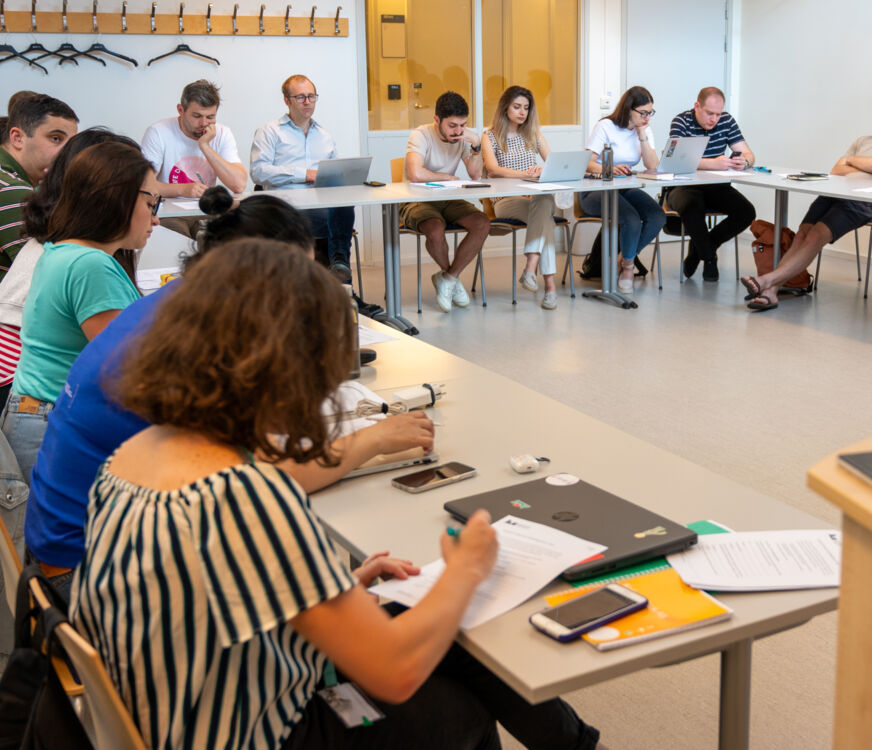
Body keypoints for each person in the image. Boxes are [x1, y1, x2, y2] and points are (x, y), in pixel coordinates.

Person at [72, 238, 604, 750]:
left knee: (414, 619)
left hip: (171, 712)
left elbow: (202, 589)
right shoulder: (244, 496)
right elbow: (394, 673)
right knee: (457, 704)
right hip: (255, 730)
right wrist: (467, 567)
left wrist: (334, 586)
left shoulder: (134, 455)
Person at [25, 186, 434, 601]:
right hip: (91, 575)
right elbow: (273, 478)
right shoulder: (202, 343)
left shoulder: (178, 306)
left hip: (74, 544)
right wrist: (374, 438)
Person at [0, 142, 153, 564]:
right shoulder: (91, 265)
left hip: (34, 414)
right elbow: (134, 368)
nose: (155, 216)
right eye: (151, 201)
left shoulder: (61, 249)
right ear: (119, 199)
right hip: (50, 421)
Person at [739, 85, 872, 310]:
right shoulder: (863, 140)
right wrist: (869, 168)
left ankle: (766, 282)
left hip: (865, 202)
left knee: (814, 237)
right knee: (801, 236)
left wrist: (854, 162)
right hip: (835, 192)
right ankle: (772, 292)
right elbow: (836, 170)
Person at [0, 93, 79, 401]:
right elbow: (51, 275)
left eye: (70, 144)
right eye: (55, 138)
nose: (65, 154)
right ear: (17, 137)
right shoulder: (12, 192)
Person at [250, 74, 357, 283]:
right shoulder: (269, 131)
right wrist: (304, 174)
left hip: (320, 204)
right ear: (287, 101)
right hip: (285, 206)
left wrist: (346, 177)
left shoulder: (324, 135)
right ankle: (341, 285)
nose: (307, 102)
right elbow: (258, 171)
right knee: (334, 223)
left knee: (343, 204)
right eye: (300, 97)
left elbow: (334, 171)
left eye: (311, 96)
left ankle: (339, 265)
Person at [401, 91, 491, 313]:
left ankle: (449, 278)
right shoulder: (420, 135)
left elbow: (475, 174)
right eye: (452, 125)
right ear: (436, 120)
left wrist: (477, 145)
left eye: (463, 125)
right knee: (435, 227)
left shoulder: (461, 139)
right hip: (416, 198)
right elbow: (415, 173)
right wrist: (448, 177)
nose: (458, 131)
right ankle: (452, 278)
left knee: (482, 223)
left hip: (447, 197)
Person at [666, 86, 757, 281]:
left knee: (746, 212)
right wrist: (711, 163)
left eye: (718, 114)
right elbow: (673, 161)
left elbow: (749, 153)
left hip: (716, 187)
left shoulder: (726, 120)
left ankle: (699, 251)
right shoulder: (681, 121)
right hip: (683, 186)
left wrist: (745, 161)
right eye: (709, 113)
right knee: (692, 205)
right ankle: (709, 258)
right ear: (697, 106)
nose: (714, 119)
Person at [481, 85, 559, 309]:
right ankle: (549, 287)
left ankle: (530, 270)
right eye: (517, 107)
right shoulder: (490, 135)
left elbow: (552, 164)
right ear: (505, 108)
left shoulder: (534, 134)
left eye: (526, 108)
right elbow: (494, 170)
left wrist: (542, 170)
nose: (522, 112)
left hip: (533, 198)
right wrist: (526, 173)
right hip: (505, 201)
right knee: (546, 221)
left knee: (543, 204)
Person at [582, 86, 665, 294]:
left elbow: (652, 165)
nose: (647, 117)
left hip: (623, 187)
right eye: (643, 113)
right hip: (594, 190)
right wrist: (609, 169)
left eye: (650, 113)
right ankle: (628, 268)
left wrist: (642, 134)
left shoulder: (643, 130)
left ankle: (622, 259)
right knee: (631, 219)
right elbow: (586, 163)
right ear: (629, 109)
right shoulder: (606, 126)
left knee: (657, 216)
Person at [141, 79, 248, 236]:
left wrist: (204, 146)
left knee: (235, 236)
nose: (204, 123)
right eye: (197, 116)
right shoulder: (158, 132)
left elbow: (238, 185)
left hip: (208, 210)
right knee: (180, 242)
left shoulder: (223, 133)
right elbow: (143, 185)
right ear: (180, 110)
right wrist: (182, 189)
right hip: (169, 213)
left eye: (210, 117)